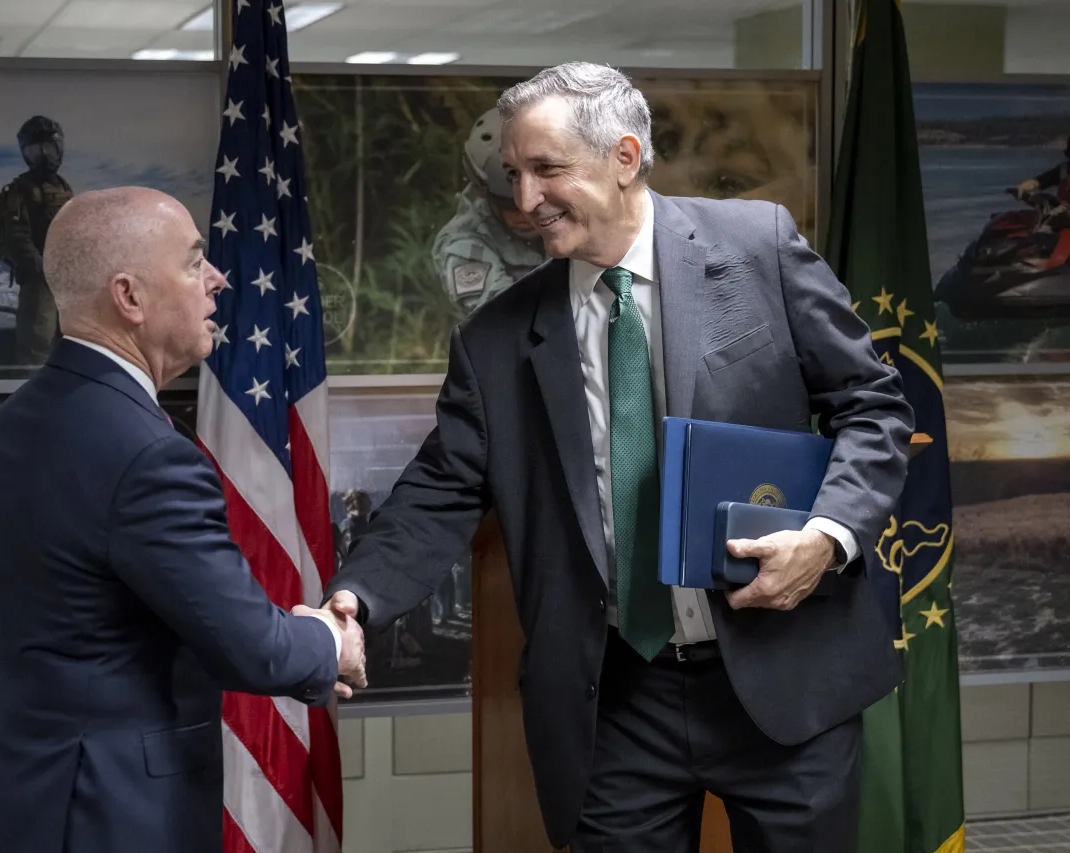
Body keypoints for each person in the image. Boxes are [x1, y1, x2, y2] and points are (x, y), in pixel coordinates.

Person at [323, 63, 914, 852]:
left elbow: (872, 407)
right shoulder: (497, 339)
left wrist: (828, 536)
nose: (525, 202)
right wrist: (356, 597)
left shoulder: (758, 248)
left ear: (626, 158)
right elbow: (441, 487)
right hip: (613, 701)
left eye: (548, 170)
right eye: (514, 175)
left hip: (783, 675)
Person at [0, 186, 367, 853]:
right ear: (129, 297)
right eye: (193, 262)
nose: (218, 279)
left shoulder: (17, 422)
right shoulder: (148, 453)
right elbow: (253, 647)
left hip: (29, 799)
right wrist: (330, 640)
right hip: (115, 813)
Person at [431, 107, 546, 315]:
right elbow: (505, 318)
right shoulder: (464, 245)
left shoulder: (574, 212)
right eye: (510, 205)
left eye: (536, 202)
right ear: (482, 192)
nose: (525, 212)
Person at [0, 115, 73, 366]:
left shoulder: (63, 187)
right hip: (40, 285)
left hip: (68, 282)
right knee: (36, 353)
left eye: (49, 148)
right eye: (37, 150)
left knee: (69, 347)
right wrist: (41, 269)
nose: (45, 156)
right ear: (26, 154)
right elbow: (17, 238)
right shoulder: (21, 191)